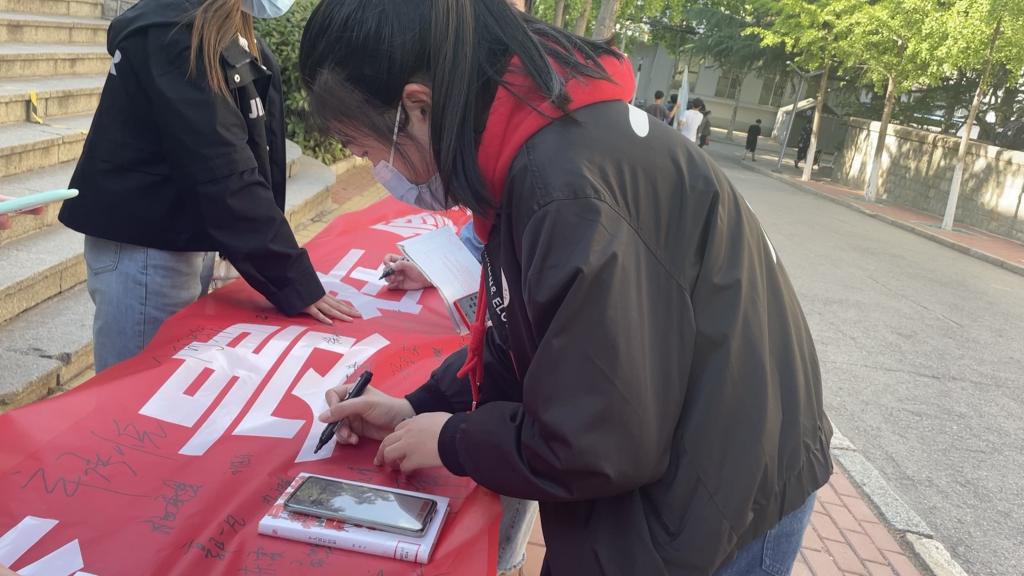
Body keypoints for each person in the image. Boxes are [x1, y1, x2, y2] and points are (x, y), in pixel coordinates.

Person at [301, 1, 831, 574]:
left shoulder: (565, 188)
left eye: (368, 149)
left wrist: (455, 439)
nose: (381, 170)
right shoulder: (538, 146)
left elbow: (598, 438)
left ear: (417, 107)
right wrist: (417, 405)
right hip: (693, 449)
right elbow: (534, 335)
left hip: (719, 500)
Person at [58, 0, 359, 372]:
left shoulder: (222, 32)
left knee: (165, 385)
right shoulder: (174, 34)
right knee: (137, 391)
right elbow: (223, 167)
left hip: (181, 240)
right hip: (149, 253)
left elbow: (248, 151)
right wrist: (290, 277)